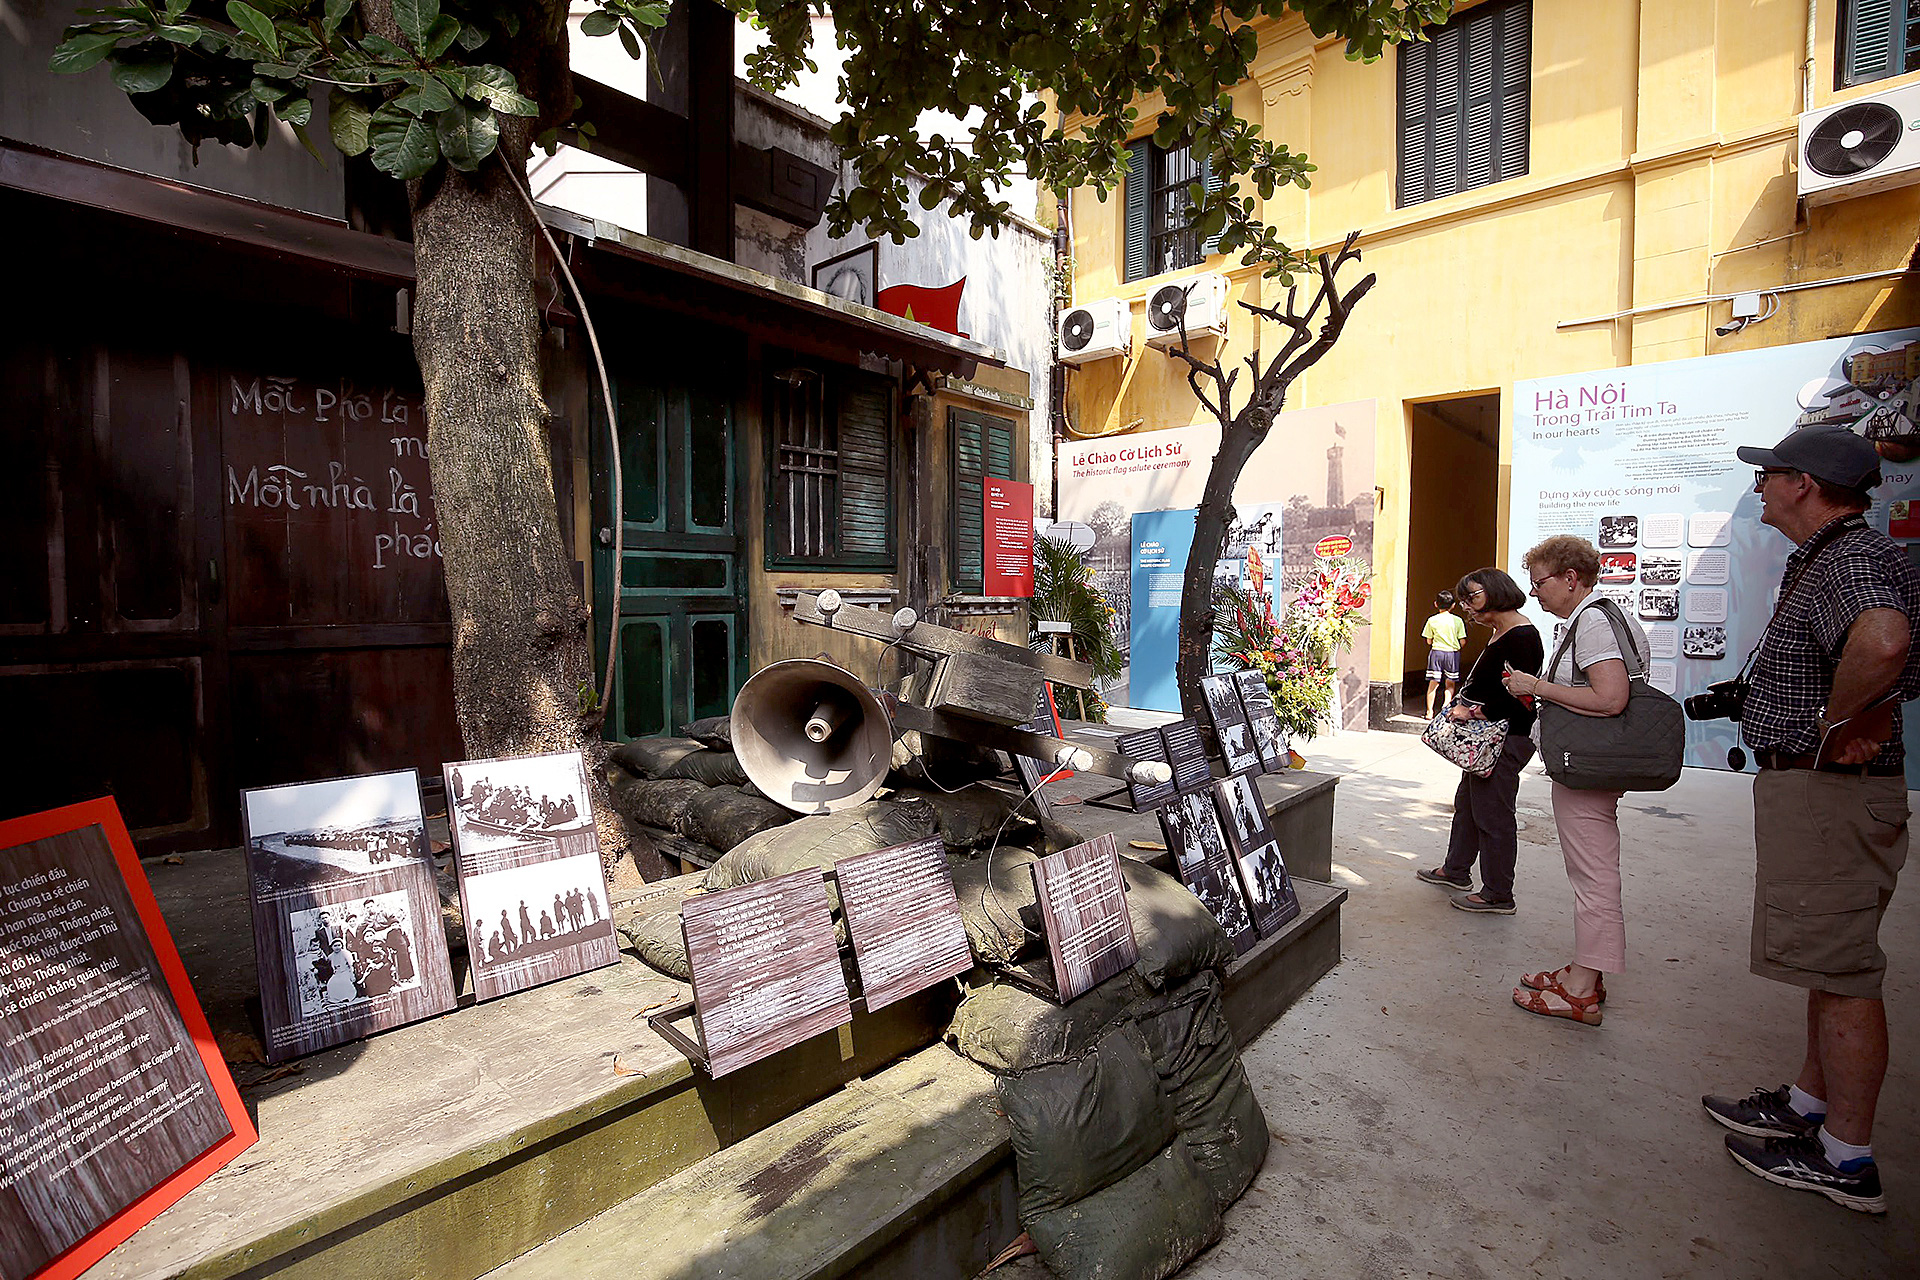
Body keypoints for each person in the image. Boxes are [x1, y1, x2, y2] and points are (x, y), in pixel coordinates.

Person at [1699, 426, 1920, 1214]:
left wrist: (1833, 721)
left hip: (1827, 790)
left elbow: (1888, 642)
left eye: (1771, 475)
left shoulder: (1850, 558)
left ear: (1806, 484)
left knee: (1846, 972)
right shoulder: (1838, 557)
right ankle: (1810, 1107)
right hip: (1819, 792)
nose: (1760, 488)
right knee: (1830, 962)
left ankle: (1846, 1160)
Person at [1501, 534, 1650, 1027]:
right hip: (1588, 764)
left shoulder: (1592, 622)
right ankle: (1588, 971)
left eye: (1540, 581)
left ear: (1571, 578)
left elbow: (1611, 699)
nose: (1535, 591)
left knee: (1593, 876)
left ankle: (1581, 989)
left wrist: (1535, 686)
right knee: (1593, 871)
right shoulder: (1600, 617)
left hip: (1588, 767)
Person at [1416, 569, 1543, 913]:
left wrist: (1471, 713)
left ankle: (1498, 893)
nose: (1467, 607)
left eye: (1472, 597)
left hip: (1505, 738)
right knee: (1469, 807)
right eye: (1464, 600)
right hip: (1486, 741)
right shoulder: (1502, 632)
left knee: (1494, 816)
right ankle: (1456, 870)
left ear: (1496, 592)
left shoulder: (1521, 636)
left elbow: (1521, 695)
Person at [1422, 590, 1467, 718]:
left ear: (1436, 604)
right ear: (1453, 605)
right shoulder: (1457, 621)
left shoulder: (1431, 620)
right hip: (1452, 654)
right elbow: (1462, 641)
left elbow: (1428, 640)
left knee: (1433, 683)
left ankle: (1429, 711)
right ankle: (1445, 707)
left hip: (1436, 653)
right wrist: (1457, 647)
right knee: (1450, 683)